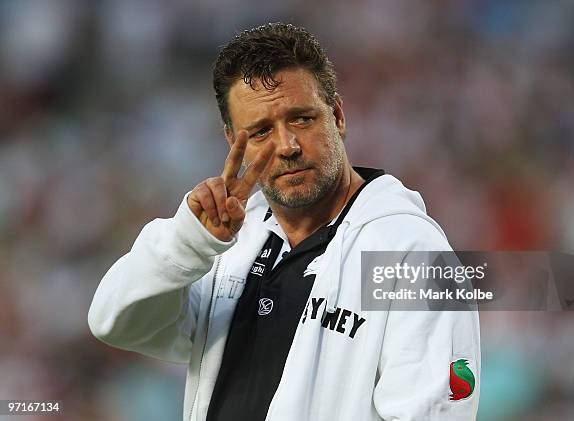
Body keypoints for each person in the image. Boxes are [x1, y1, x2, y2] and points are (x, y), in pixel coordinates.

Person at [88, 22, 480, 421]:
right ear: (232, 141)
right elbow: (115, 321)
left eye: (302, 119)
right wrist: (189, 243)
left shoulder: (411, 251)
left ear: (338, 116)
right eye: (261, 131)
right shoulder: (231, 242)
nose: (288, 146)